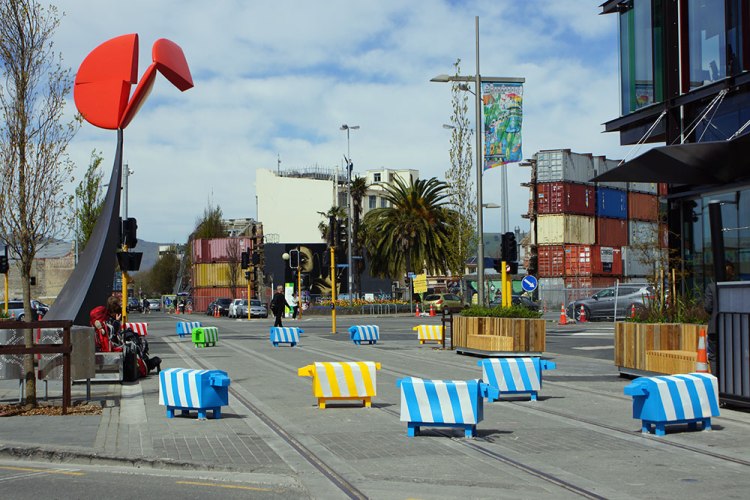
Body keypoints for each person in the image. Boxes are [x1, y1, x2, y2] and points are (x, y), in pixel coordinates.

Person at [704, 262, 737, 375]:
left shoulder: (711, 287)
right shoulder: (737, 287)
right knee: (733, 354)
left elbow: (708, 307)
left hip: (715, 327)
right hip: (734, 328)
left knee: (714, 356)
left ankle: (717, 381)